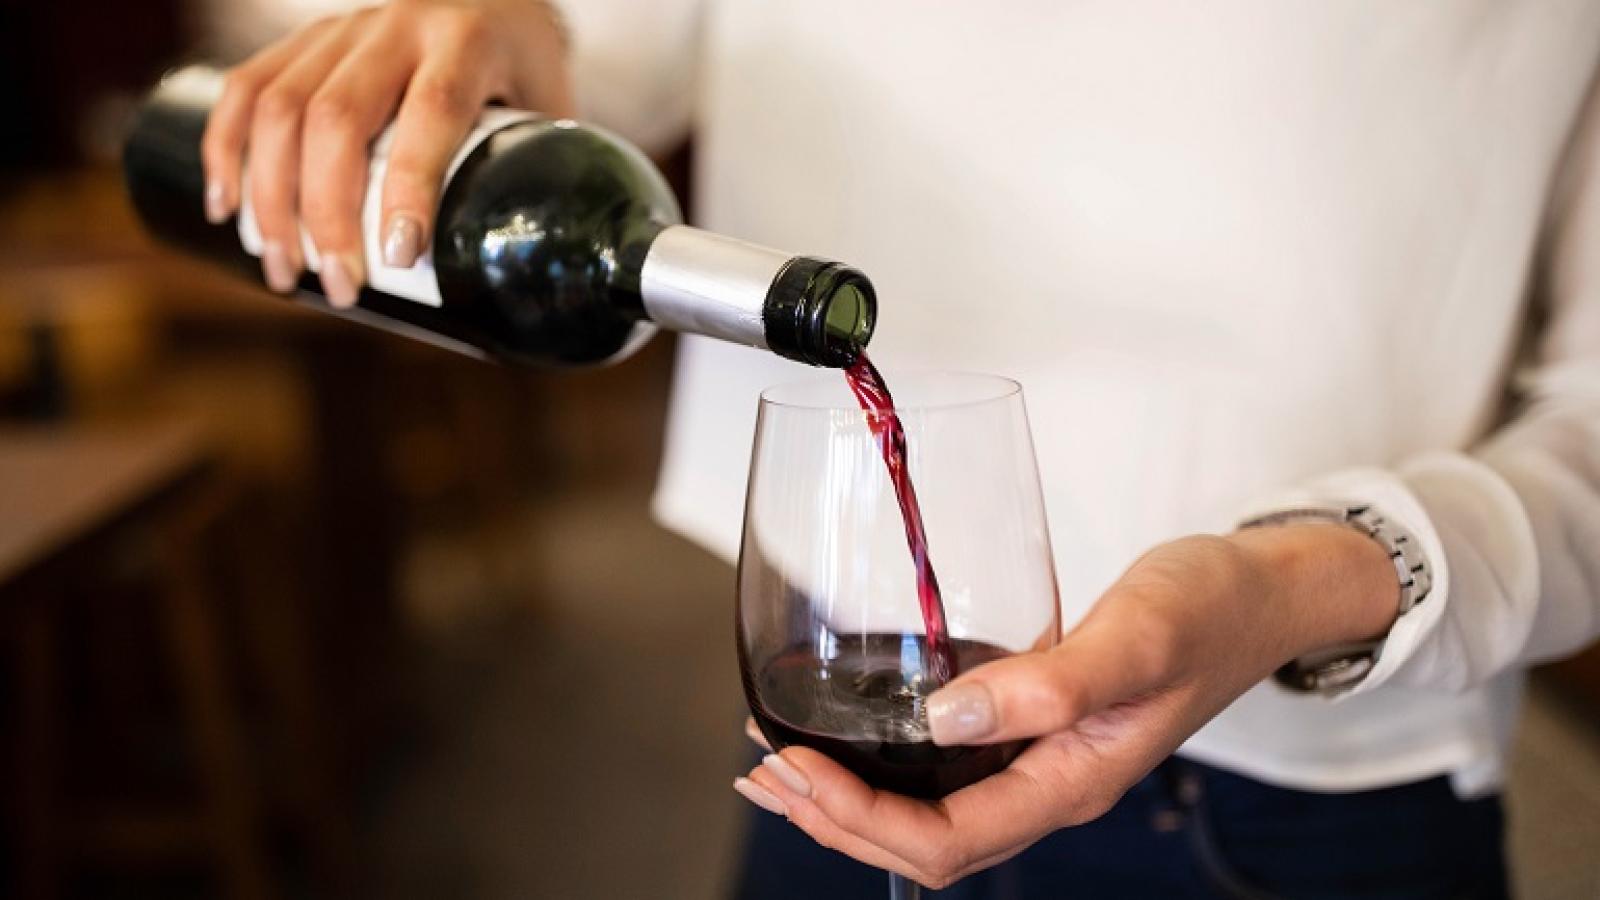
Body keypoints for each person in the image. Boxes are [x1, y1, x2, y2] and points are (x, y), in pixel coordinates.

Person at [202, 1, 1600, 895]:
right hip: (828, 739)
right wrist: (517, 29)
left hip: (1294, 805)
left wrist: (1298, 585)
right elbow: (612, 44)